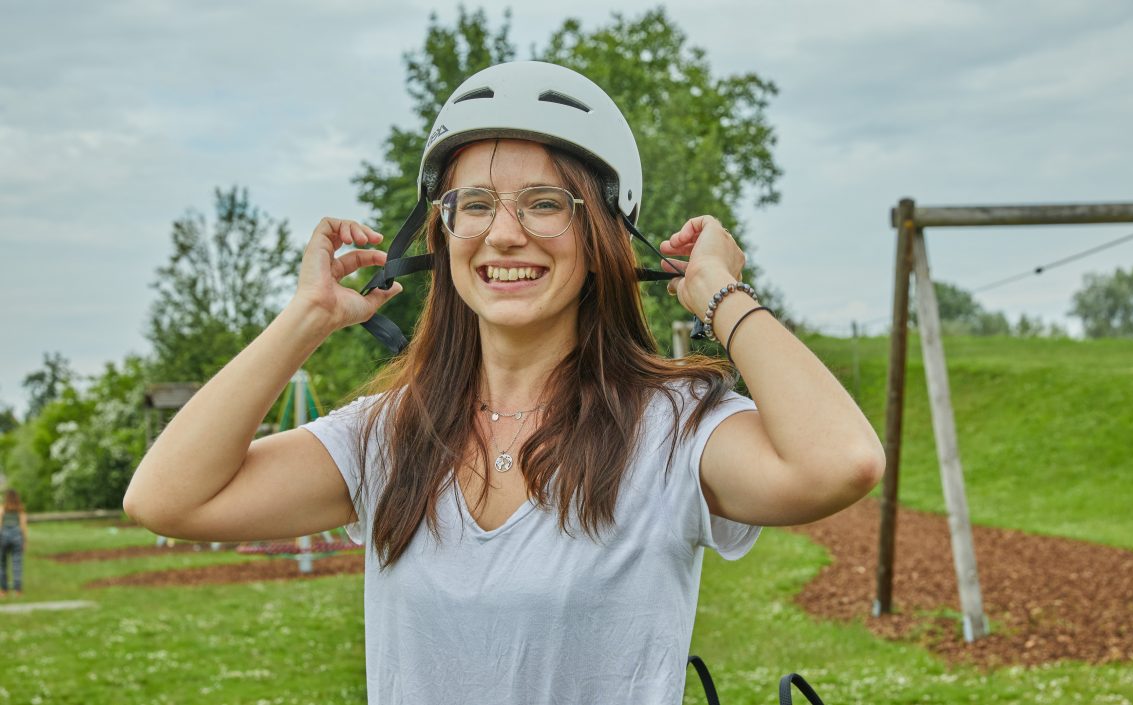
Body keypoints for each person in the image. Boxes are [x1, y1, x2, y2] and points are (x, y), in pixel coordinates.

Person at [124, 61, 885, 703]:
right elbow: (167, 497)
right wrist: (307, 317)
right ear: (442, 234)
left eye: (545, 203)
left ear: (606, 238)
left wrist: (719, 293)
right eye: (475, 205)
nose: (504, 232)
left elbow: (839, 462)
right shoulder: (388, 434)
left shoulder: (673, 426)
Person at [0, 489, 28, 598]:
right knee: (17, 564)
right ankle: (17, 590)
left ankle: (3, 590)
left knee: (2, 564)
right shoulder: (20, 511)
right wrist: (25, 541)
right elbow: (23, 527)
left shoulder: (2, 510)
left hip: (3, 538)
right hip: (17, 538)